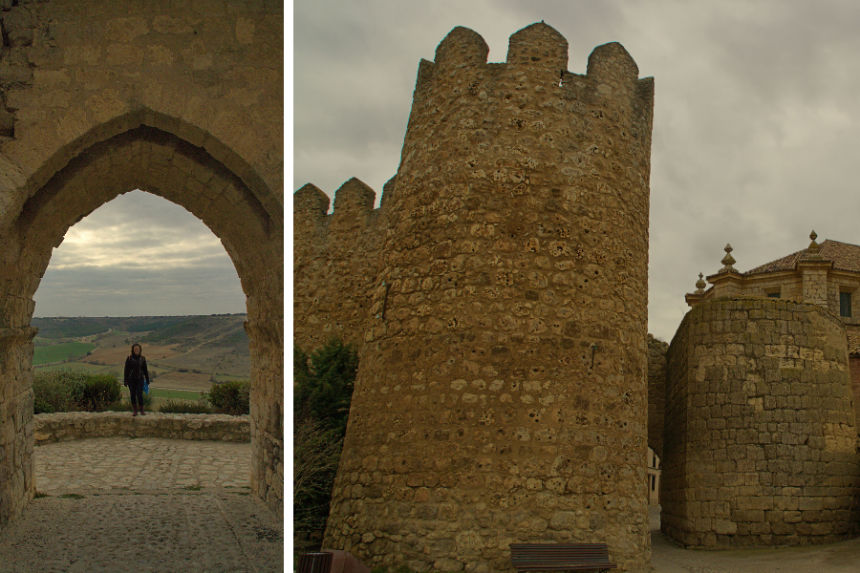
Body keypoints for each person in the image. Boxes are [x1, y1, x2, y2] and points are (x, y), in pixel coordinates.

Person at [124, 343, 150, 416]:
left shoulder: (142, 358)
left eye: (138, 349)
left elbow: (145, 370)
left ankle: (141, 410)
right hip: (131, 380)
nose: (136, 350)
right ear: (132, 350)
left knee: (139, 394)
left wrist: (147, 379)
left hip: (140, 379)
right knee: (132, 395)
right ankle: (135, 410)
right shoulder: (129, 358)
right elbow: (126, 370)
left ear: (140, 350)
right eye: (135, 349)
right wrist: (125, 380)